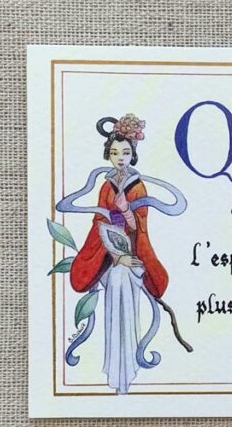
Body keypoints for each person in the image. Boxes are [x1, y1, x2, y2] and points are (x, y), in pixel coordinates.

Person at [58, 114, 186, 393]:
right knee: (115, 277)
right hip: (108, 254)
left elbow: (140, 226)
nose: (120, 158)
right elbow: (99, 222)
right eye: (115, 153)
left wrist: (127, 211)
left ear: (133, 154)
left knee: (123, 279)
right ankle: (114, 364)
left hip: (134, 252)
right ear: (109, 154)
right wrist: (116, 255)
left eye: (125, 153)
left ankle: (127, 364)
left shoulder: (138, 185)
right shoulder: (105, 185)